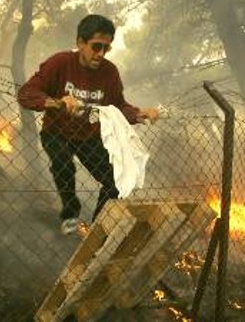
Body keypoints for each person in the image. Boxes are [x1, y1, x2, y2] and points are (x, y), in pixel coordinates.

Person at [17, 14, 159, 234]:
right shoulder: (60, 62)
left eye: (106, 48)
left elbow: (118, 106)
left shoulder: (109, 72)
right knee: (63, 164)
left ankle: (98, 228)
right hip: (56, 132)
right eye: (96, 46)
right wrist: (58, 102)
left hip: (89, 136)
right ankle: (70, 215)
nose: (101, 54)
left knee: (114, 181)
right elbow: (26, 94)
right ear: (80, 43)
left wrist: (140, 113)